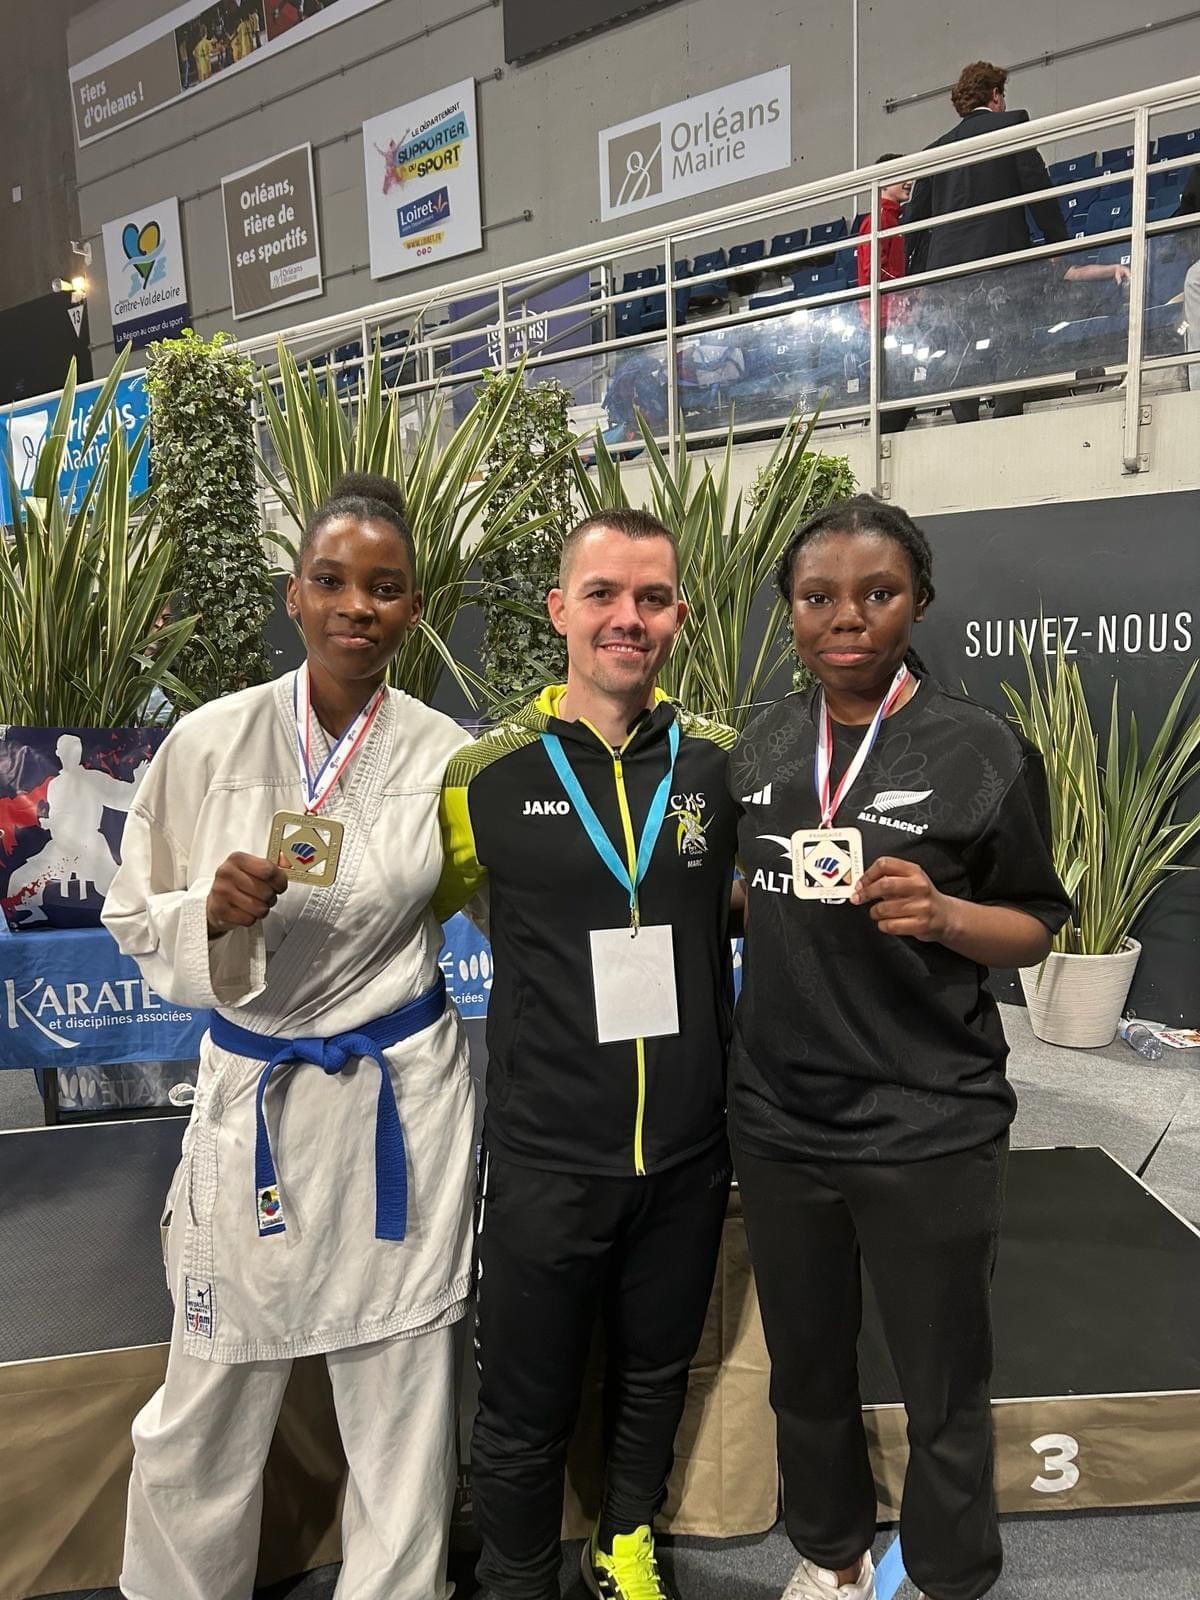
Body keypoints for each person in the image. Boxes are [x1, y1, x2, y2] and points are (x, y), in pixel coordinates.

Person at [102, 472, 477, 1600]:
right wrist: (205, 913)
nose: (357, 605)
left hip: (397, 1095)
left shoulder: (445, 755)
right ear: (295, 595)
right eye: (332, 580)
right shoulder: (208, 742)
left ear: (414, 608)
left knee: (404, 1391)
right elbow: (133, 911)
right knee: (208, 1386)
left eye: (385, 586)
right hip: (256, 1092)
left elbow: (491, 897)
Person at [729, 494, 1070, 1600]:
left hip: (930, 1120)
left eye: (877, 593)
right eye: (818, 597)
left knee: (944, 1386)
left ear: (919, 600)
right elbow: (747, 893)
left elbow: (1035, 922)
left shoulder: (983, 750)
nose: (848, 617)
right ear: (790, 611)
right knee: (807, 1374)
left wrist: (948, 915)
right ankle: (831, 1559)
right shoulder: (761, 747)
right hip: (782, 1122)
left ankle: (948, 1577)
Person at [433, 507, 740, 1600]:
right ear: (560, 609)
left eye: (652, 598)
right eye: (604, 594)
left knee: (654, 1373)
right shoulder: (483, 771)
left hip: (687, 1149)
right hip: (548, 1152)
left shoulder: (719, 763)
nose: (628, 618)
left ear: (678, 616)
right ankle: (518, 1578)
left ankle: (625, 1546)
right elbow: (414, 914)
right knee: (525, 1400)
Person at [905, 61, 1069, 422]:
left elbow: (914, 219)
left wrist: (910, 275)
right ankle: (1006, 418)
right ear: (995, 95)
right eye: (1002, 95)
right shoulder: (1010, 125)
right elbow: (1037, 187)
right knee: (1010, 336)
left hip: (947, 269)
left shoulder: (936, 149)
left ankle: (966, 422)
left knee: (960, 344)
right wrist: (1058, 242)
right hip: (1000, 257)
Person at [856, 155, 914, 432]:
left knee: (900, 385)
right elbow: (873, 272)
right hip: (884, 318)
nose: (910, 180)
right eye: (902, 174)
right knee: (893, 386)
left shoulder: (890, 219)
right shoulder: (879, 219)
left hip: (890, 316)